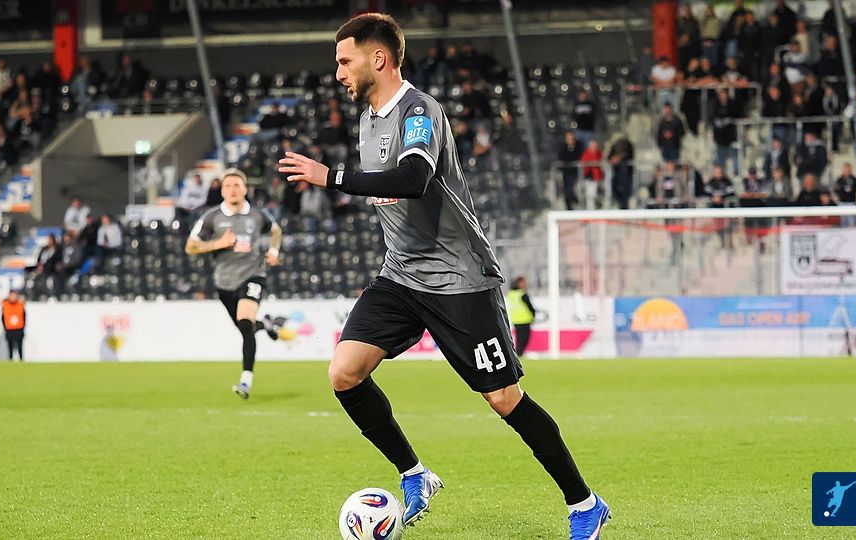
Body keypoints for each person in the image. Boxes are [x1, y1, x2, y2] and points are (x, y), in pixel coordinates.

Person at [277, 14, 609, 537]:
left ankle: (585, 504)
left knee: (504, 399)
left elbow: (413, 177)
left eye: (344, 60)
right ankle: (415, 475)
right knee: (344, 372)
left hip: (459, 278)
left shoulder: (419, 111)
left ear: (378, 58)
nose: (337, 72)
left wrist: (332, 177)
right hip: (401, 274)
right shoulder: (366, 120)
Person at [185, 169, 283, 399]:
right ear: (222, 191)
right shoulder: (211, 217)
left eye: (237, 185)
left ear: (245, 189)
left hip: (253, 274)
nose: (232, 190)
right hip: (225, 282)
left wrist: (274, 250)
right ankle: (266, 325)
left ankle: (246, 380)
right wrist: (217, 244)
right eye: (228, 186)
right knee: (245, 327)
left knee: (245, 322)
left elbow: (276, 230)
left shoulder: (258, 215)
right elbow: (190, 246)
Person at [507, 277, 536, 357]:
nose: (525, 284)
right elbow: (529, 306)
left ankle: (519, 353)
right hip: (525, 319)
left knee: (519, 339)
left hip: (516, 320)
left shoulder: (511, 294)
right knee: (524, 339)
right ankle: (519, 354)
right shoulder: (522, 294)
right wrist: (533, 314)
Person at [1, 291, 26, 361]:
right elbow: (2, 317)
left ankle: (21, 359)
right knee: (10, 346)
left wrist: (23, 327)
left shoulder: (20, 304)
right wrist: (5, 327)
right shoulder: (5, 304)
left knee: (20, 346)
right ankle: (10, 359)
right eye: (11, 296)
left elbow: (24, 316)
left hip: (19, 329)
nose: (13, 297)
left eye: (14, 295)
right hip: (9, 329)